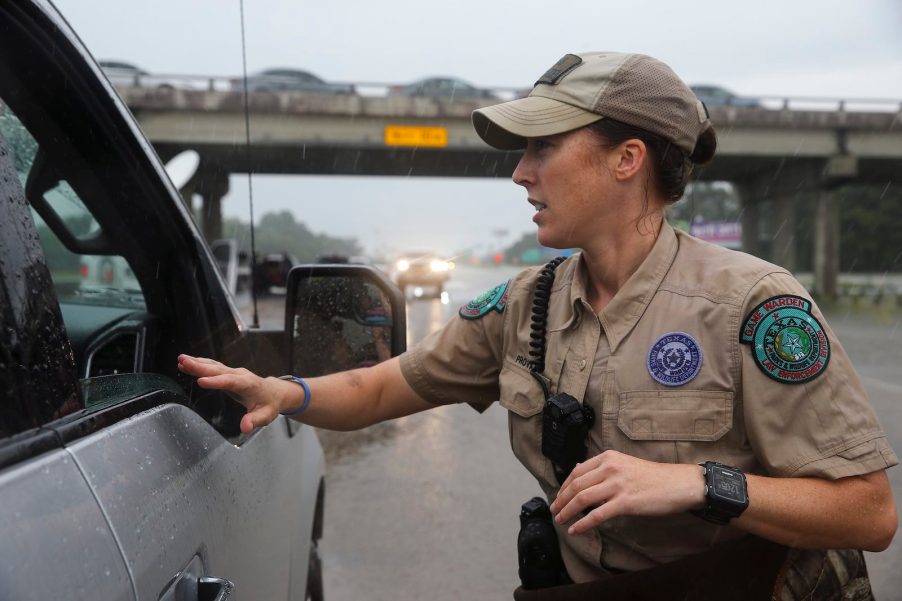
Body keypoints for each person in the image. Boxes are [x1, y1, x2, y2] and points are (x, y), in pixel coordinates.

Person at [178, 51, 898, 598]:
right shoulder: (524, 305)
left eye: (543, 147)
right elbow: (379, 389)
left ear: (627, 159)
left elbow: (867, 512)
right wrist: (285, 393)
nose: (520, 173)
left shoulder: (754, 307)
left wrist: (697, 483)